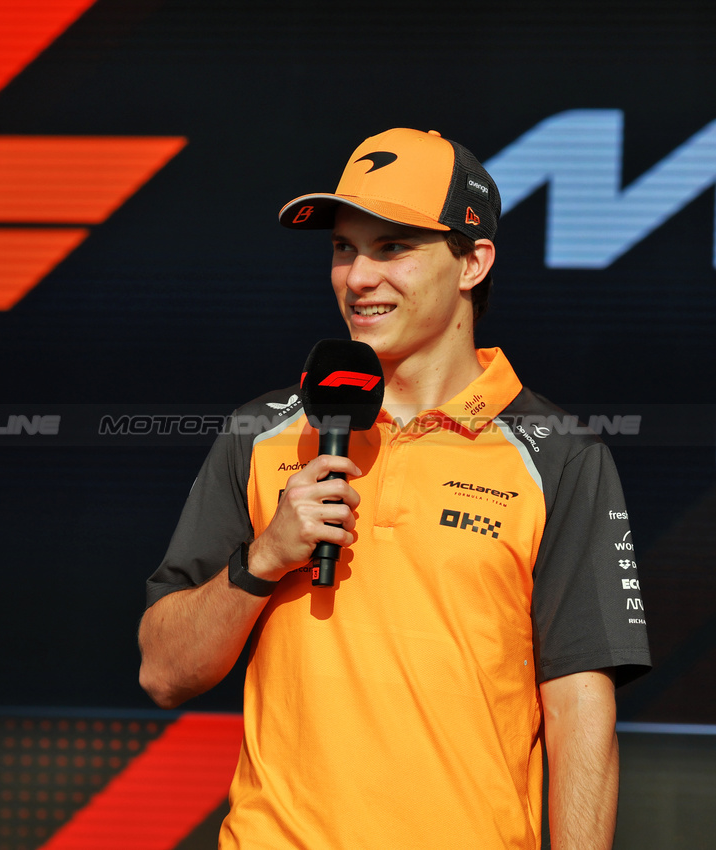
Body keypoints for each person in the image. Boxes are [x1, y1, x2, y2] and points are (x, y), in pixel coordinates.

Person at [138, 128, 651, 849]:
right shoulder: (263, 432)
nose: (357, 278)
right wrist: (263, 559)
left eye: (391, 248)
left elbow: (579, 715)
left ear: (472, 262)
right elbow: (163, 672)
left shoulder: (558, 457)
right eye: (343, 249)